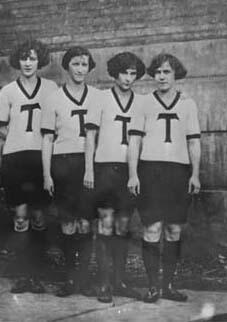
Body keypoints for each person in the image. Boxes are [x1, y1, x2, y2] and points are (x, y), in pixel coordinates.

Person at [128, 53, 201, 303]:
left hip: (178, 172)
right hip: (150, 171)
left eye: (166, 72)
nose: (161, 76)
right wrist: (133, 174)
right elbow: (134, 141)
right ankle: (152, 287)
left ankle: (168, 285)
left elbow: (193, 142)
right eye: (158, 72)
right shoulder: (144, 103)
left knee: (172, 230)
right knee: (152, 228)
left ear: (175, 74)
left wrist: (195, 174)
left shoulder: (188, 104)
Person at [0, 39, 58, 293]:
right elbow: (0, 126)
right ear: (17, 61)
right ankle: (23, 275)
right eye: (23, 58)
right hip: (15, 160)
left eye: (32, 58)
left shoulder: (51, 88)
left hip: (41, 159)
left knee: (40, 217)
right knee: (21, 218)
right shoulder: (8, 91)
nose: (28, 63)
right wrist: (18, 137)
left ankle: (37, 274)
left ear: (39, 60)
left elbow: (56, 122)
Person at [84, 52, 145, 303]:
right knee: (105, 227)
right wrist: (89, 170)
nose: (128, 78)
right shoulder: (99, 99)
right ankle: (104, 283)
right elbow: (89, 138)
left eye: (132, 73)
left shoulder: (140, 102)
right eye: (123, 72)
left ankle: (120, 281)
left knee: (122, 227)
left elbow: (137, 141)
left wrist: (134, 174)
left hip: (128, 170)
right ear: (114, 73)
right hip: (104, 168)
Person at [41, 46, 98, 297]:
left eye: (84, 64)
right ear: (67, 66)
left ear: (89, 67)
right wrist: (46, 174)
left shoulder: (98, 96)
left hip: (90, 164)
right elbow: (46, 140)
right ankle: (70, 278)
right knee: (68, 221)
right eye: (75, 64)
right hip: (62, 163)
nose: (80, 69)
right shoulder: (53, 98)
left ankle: (84, 278)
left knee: (86, 221)